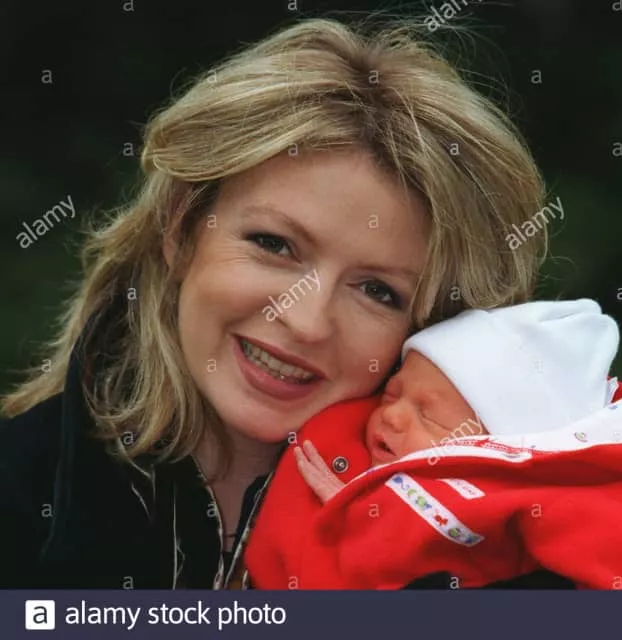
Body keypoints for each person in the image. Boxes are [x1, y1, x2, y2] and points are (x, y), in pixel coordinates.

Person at [0, 17, 550, 588]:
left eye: (378, 291)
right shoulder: (18, 499)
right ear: (181, 226)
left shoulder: (518, 554)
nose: (306, 320)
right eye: (274, 245)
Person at [244, 299, 622, 590]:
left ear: (499, 442)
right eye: (392, 393)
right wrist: (355, 506)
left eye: (427, 414)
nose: (391, 415)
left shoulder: (553, 496)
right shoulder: (362, 449)